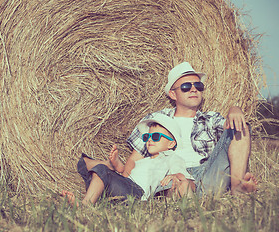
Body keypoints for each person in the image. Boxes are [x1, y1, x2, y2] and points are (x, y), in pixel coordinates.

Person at [119, 62, 258, 195]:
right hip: (170, 175)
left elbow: (232, 131)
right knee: (174, 186)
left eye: (198, 85)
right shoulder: (156, 120)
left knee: (240, 127)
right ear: (173, 94)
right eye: (186, 86)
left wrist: (235, 109)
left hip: (208, 174)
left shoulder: (210, 118)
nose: (193, 89)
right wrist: (127, 189)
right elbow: (134, 159)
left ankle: (237, 188)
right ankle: (185, 195)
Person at [61, 114, 195, 206]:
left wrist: (174, 175)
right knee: (92, 170)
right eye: (147, 136)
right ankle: (98, 196)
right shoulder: (144, 160)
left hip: (137, 193)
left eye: (155, 136)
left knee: (102, 170)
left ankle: (85, 205)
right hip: (126, 185)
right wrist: (118, 165)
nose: (149, 139)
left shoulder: (171, 157)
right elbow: (126, 174)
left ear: (171, 144)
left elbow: (183, 176)